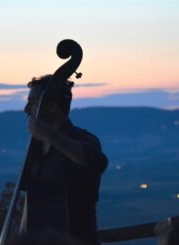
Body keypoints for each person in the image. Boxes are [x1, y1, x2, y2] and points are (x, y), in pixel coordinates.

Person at [20, 74, 108, 244]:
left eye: (32, 102)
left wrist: (48, 133)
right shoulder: (37, 148)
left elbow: (97, 161)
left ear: (52, 106)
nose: (26, 109)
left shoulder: (82, 138)